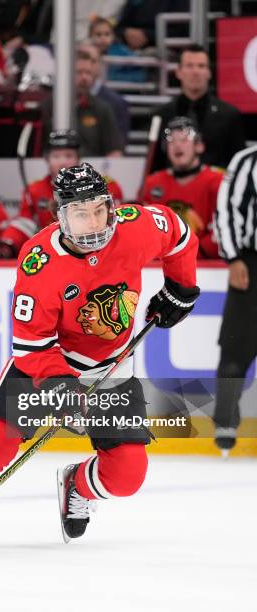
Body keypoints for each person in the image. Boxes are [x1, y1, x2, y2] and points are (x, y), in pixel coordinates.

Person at [0, 162, 199, 559]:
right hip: (49, 365)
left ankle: (77, 485)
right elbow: (32, 344)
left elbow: (178, 233)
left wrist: (181, 286)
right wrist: (60, 387)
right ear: (60, 216)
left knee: (126, 477)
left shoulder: (135, 226)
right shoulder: (39, 261)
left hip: (113, 368)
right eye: (78, 213)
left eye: (98, 210)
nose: (92, 224)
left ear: (110, 206)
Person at [0, 129, 124, 258]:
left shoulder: (103, 185)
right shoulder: (35, 190)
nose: (62, 162)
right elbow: (24, 224)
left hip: (101, 251)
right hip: (54, 254)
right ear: (47, 160)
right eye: (56, 156)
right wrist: (7, 244)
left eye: (68, 155)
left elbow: (118, 221)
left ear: (78, 158)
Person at [213, 145, 257, 453]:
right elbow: (226, 209)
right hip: (252, 265)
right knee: (235, 350)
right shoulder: (246, 160)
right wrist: (233, 258)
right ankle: (225, 422)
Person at [151, 44, 246, 171]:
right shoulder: (162, 115)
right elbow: (154, 164)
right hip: (173, 188)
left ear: (209, 72)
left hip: (217, 188)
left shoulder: (229, 115)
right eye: (189, 66)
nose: (195, 72)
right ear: (178, 72)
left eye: (201, 66)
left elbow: (238, 164)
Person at [141, 117, 223, 259]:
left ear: (199, 146)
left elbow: (223, 229)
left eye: (184, 139)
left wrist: (190, 254)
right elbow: (144, 230)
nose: (177, 145)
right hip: (162, 264)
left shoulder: (217, 181)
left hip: (205, 265)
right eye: (171, 141)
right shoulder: (153, 183)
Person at [42, 51, 123, 157]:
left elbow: (115, 151)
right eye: (79, 72)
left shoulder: (102, 109)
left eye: (88, 73)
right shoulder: (48, 106)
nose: (84, 78)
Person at [78, 42, 130, 149]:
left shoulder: (115, 103)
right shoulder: (56, 101)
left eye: (92, 61)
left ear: (99, 65)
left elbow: (118, 148)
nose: (86, 64)